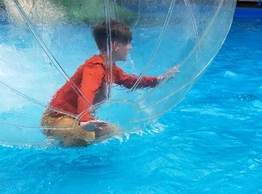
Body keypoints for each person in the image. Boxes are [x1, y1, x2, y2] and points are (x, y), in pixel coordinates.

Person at [41, 20, 178, 147]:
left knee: (114, 132)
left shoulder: (110, 68)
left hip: (77, 117)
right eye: (128, 43)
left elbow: (130, 81)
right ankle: (62, 159)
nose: (130, 47)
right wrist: (84, 121)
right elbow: (86, 92)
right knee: (86, 134)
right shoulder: (94, 67)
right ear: (116, 46)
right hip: (56, 119)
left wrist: (159, 79)